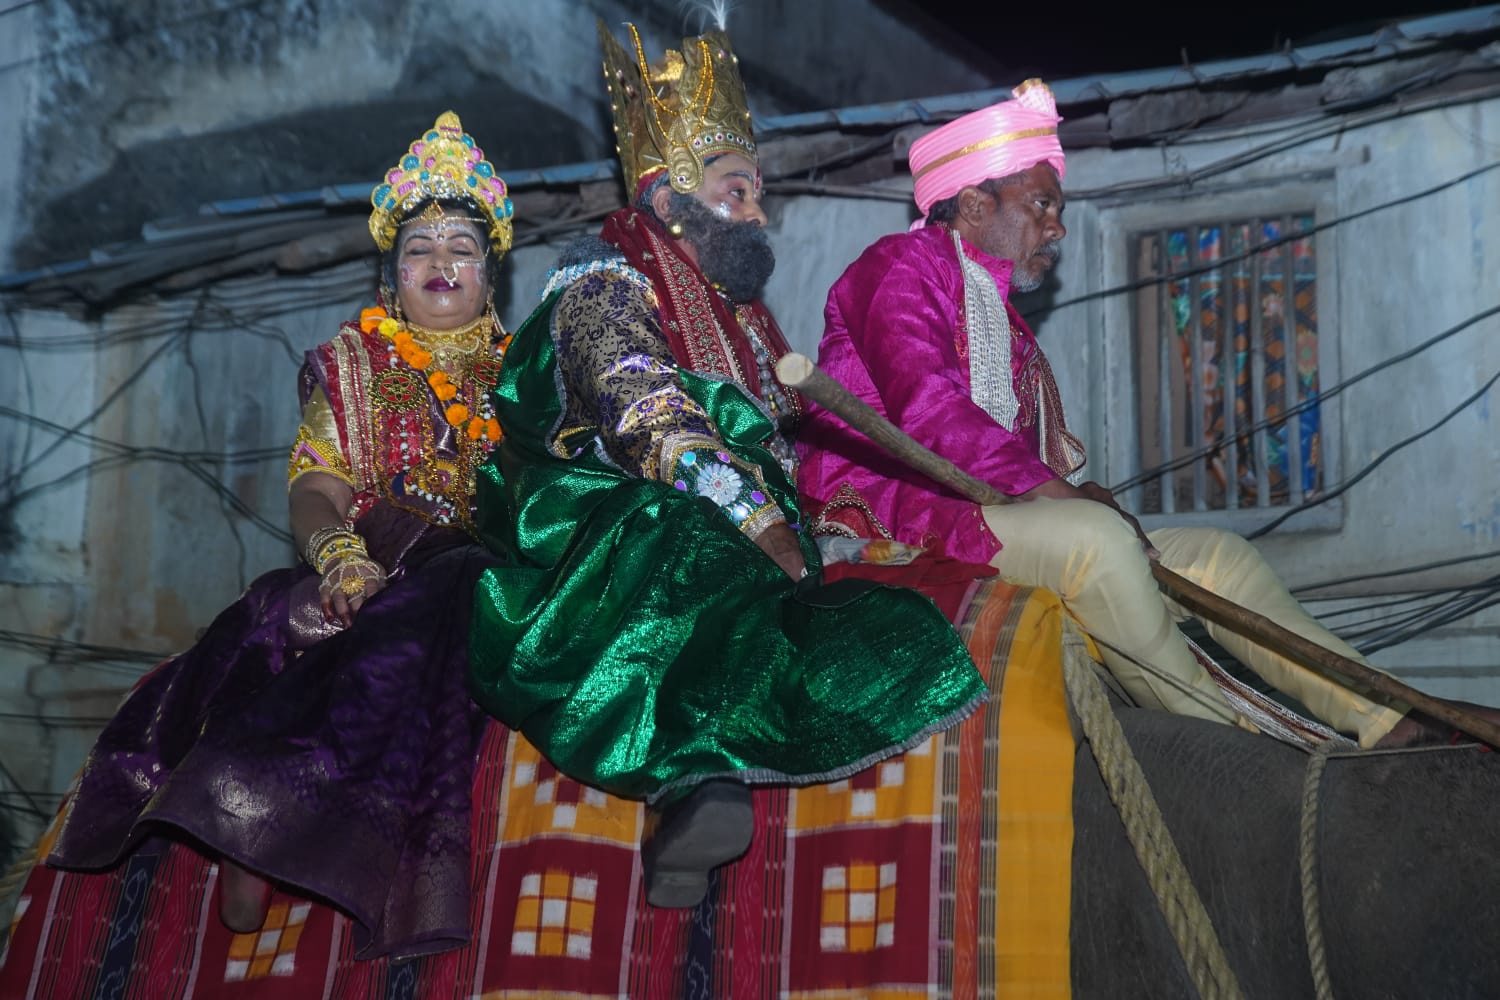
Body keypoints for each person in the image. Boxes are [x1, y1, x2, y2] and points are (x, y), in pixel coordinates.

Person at [797, 80, 1495, 750]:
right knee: (1096, 540)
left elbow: (1008, 454)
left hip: (987, 516)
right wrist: (1063, 496)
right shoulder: (897, 266)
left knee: (1220, 557)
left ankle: (1386, 719)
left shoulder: (1001, 315)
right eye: (1041, 205)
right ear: (975, 203)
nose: (1058, 226)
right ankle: (1238, 750)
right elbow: (929, 410)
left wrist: (1064, 496)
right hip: (901, 519)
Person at [466, 19, 986, 909]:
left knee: (868, 612)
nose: (757, 213)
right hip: (604, 522)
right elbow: (645, 417)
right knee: (677, 533)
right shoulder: (601, 281)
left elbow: (782, 448)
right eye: (737, 190)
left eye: (755, 194)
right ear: (669, 199)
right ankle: (697, 785)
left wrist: (824, 526)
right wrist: (761, 522)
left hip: (736, 514)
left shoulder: (743, 317)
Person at [44, 111, 516, 959]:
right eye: (418, 247)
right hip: (378, 548)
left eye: (460, 247)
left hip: (487, 562)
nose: (440, 263)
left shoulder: (528, 373)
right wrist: (339, 554)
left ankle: (282, 824)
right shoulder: (352, 363)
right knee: (277, 629)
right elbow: (318, 484)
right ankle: (242, 814)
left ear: (491, 275)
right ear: (389, 275)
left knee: (447, 615)